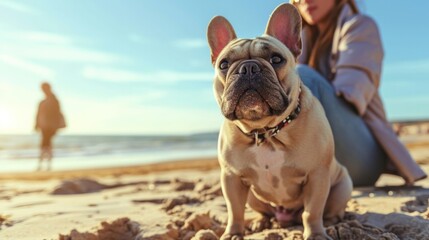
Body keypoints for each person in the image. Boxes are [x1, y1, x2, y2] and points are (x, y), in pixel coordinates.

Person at [290, 0, 426, 186]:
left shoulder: (360, 26)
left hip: (361, 158)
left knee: (300, 77)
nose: (305, 1)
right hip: (319, 153)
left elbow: (350, 96)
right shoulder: (300, 40)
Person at [35, 82, 66, 171]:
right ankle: (43, 165)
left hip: (50, 126)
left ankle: (46, 165)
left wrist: (55, 126)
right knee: (45, 144)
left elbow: (57, 113)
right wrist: (36, 124)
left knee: (46, 144)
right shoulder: (43, 101)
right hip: (44, 126)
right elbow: (38, 114)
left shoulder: (53, 100)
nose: (43, 91)